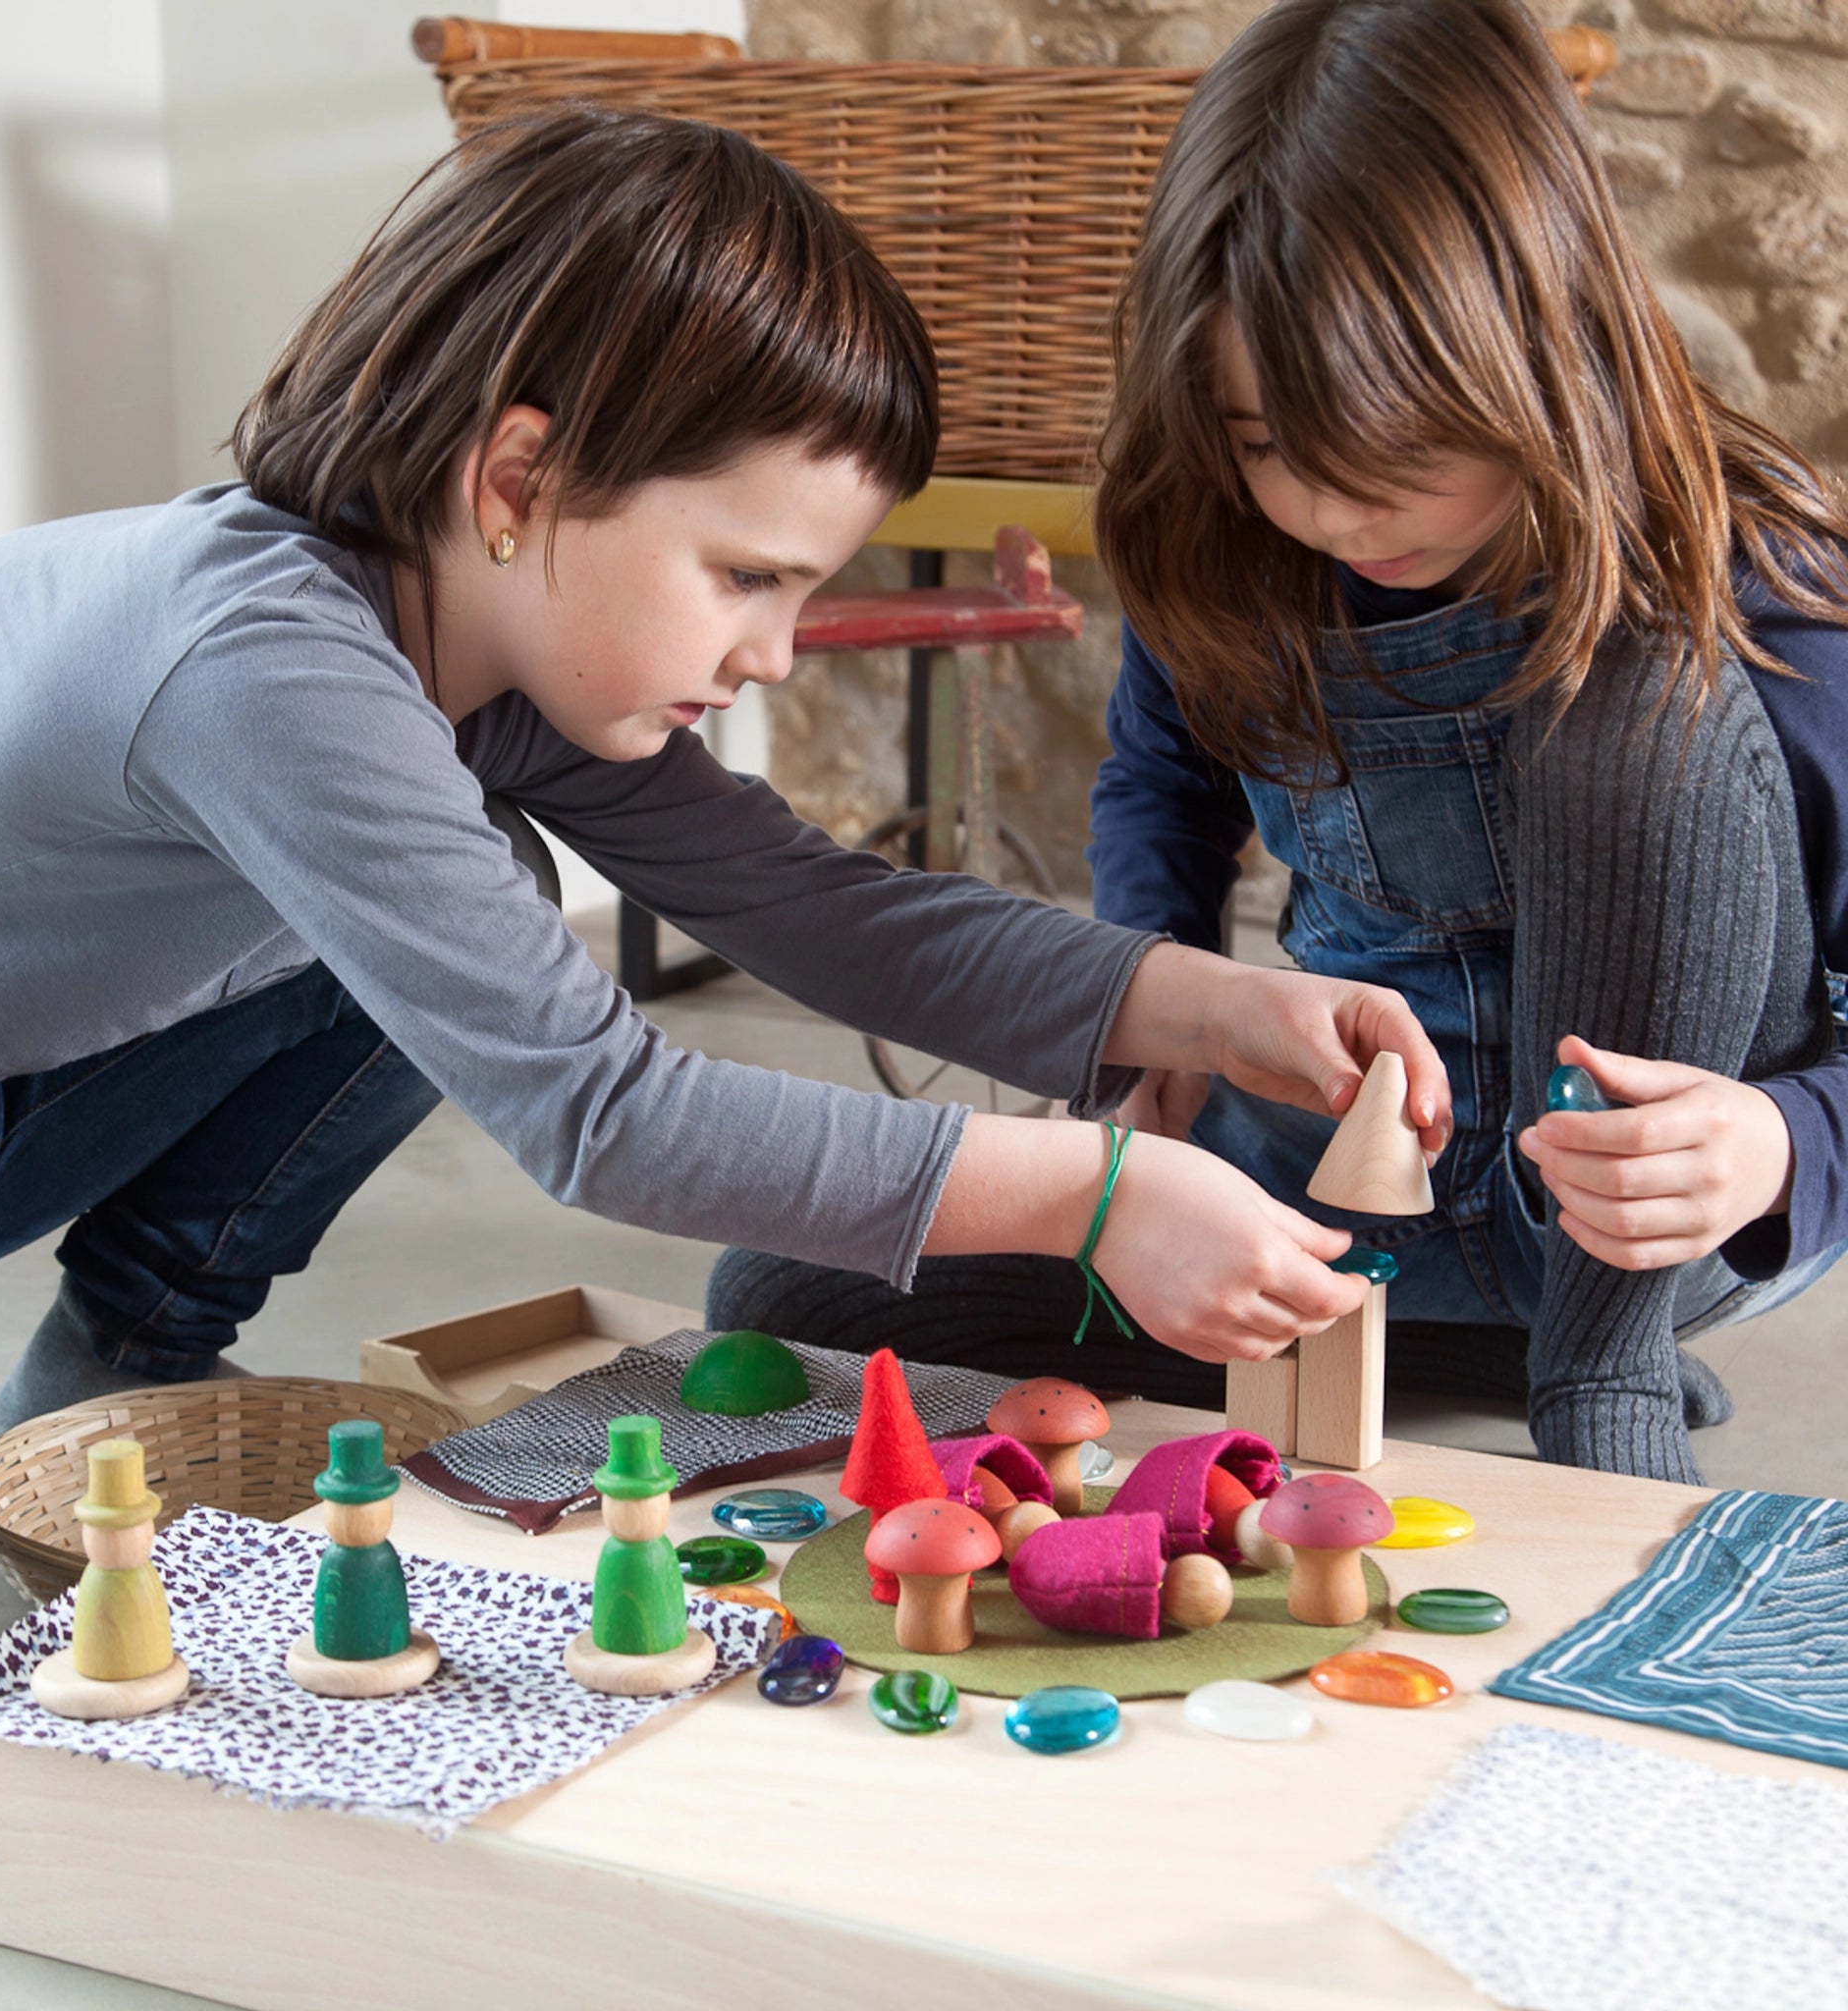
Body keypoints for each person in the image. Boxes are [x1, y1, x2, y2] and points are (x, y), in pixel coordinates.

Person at [0, 105, 1447, 1828]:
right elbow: (601, 1116)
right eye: (746, 576)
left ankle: (123, 1360)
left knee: (484, 891)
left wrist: (1207, 1001)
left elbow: (822, 909)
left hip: (4, 1062)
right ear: (519, 481)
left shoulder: (481, 632)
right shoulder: (267, 665)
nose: (767, 655)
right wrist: (1093, 1187)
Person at [710, 0, 1848, 1490]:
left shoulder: (1767, 594)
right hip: (1321, 1184)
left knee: (1629, 715)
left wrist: (1780, 1146)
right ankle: (1399, 1339)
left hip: (1638, 1233)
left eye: (1397, 456)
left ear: (1539, 347)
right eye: (1263, 443)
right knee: (779, 1299)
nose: (1328, 511)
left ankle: (1592, 1375)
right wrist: (1146, 1022)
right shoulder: (1222, 539)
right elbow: (1160, 788)